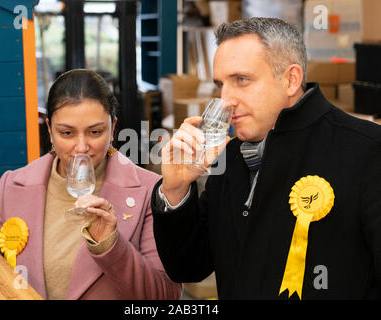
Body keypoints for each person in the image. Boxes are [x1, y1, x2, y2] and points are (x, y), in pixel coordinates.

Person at [151, 18, 381, 299]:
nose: (226, 99)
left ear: (291, 79)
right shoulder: (231, 156)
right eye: (220, 84)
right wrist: (175, 190)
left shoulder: (368, 151)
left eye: (242, 80)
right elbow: (189, 267)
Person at [0, 69, 182, 300]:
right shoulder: (11, 187)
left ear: (113, 128)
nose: (81, 147)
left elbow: (166, 297)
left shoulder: (151, 191)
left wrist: (111, 246)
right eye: (66, 133)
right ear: (49, 129)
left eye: (95, 132)